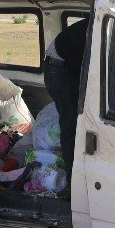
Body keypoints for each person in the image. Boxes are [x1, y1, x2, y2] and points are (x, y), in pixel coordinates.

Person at [42, 18, 89, 187]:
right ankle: (73, 183)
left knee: (81, 122)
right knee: (71, 125)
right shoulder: (103, 25)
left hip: (69, 67)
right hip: (60, 69)